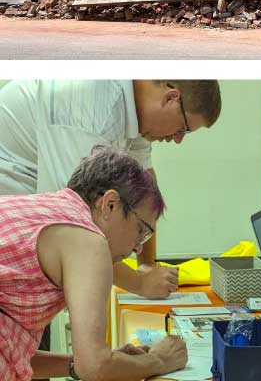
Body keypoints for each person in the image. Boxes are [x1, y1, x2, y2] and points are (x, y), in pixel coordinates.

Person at [0, 80, 221, 300]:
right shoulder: (92, 105)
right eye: (183, 129)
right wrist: (139, 282)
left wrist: (146, 265)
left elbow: (146, 197)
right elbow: (78, 228)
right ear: (171, 98)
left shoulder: (134, 112)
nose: (178, 139)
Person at [0, 148, 188, 381]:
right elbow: (95, 368)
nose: (138, 248)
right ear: (110, 204)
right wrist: (159, 360)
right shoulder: (88, 241)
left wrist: (115, 362)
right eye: (141, 231)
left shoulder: (48, 212)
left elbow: (14, 355)